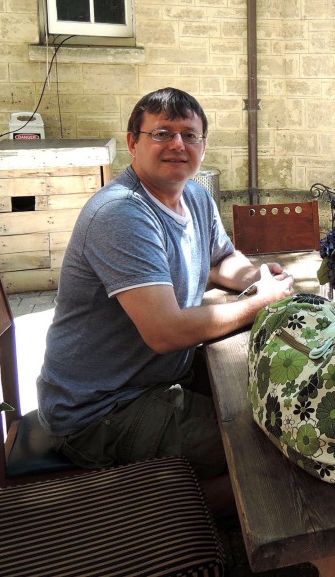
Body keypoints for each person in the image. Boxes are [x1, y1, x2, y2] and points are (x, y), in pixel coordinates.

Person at [37, 87, 295, 513]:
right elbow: (165, 331)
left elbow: (220, 259)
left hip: (155, 377)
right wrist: (257, 304)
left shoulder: (193, 195)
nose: (177, 144)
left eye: (189, 135)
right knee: (269, 445)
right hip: (100, 409)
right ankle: (145, 518)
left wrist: (255, 277)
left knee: (281, 393)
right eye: (161, 133)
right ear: (133, 142)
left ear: (203, 146)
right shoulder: (122, 214)